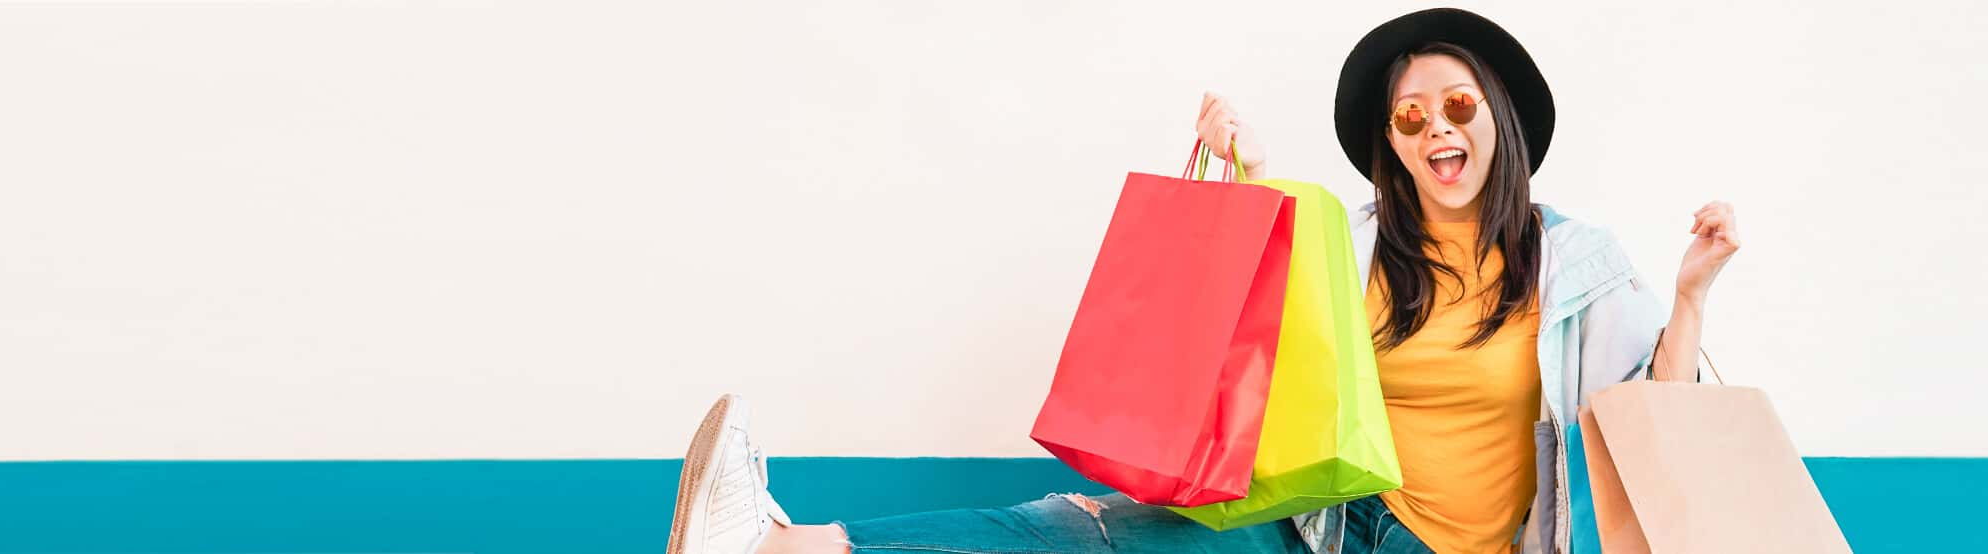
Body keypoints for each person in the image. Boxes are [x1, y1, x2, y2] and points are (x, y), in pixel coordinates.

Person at [663, 8, 1742, 554]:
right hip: (1325, 519)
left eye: (1454, 107)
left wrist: (1689, 294)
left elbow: (1655, 422)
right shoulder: (1361, 242)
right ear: (1390, 144)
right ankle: (786, 543)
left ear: (1494, 120)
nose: (1433, 131)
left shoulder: (1577, 265)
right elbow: (1275, 342)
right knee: (1087, 526)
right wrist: (1243, 182)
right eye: (1408, 117)